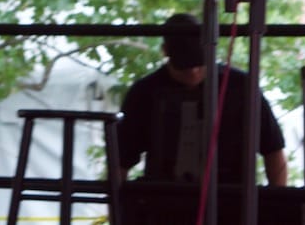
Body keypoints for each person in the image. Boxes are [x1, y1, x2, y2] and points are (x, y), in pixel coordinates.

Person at [117, 13, 287, 188]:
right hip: (163, 196)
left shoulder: (242, 87)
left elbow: (273, 150)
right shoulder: (144, 92)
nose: (193, 72)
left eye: (199, 64)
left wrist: (277, 201)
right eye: (184, 65)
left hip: (231, 196)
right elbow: (121, 160)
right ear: (165, 51)